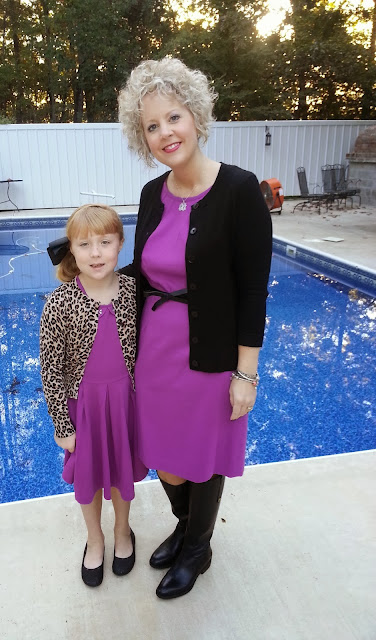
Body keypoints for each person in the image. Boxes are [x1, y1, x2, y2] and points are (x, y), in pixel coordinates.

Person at [118, 58, 273, 599]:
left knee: (203, 456)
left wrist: (245, 373)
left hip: (210, 354)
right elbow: (144, 271)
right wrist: (92, 276)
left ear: (196, 117)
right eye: (151, 125)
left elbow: (253, 289)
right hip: (156, 352)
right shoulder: (150, 194)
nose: (165, 133)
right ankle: (185, 526)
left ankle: (197, 549)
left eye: (173, 117)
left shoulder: (239, 190)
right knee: (164, 454)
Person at [39, 204, 148, 588]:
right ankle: (95, 537)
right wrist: (62, 425)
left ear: (120, 244)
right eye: (85, 245)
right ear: (71, 249)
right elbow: (50, 370)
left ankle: (122, 530)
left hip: (123, 405)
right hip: (83, 408)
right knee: (89, 477)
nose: (96, 253)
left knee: (120, 472)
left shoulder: (134, 292)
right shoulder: (60, 302)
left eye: (105, 242)